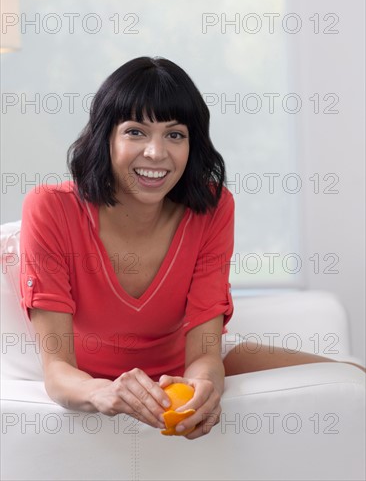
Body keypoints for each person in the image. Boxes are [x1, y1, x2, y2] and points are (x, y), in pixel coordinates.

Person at [19, 56, 365, 441]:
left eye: (175, 134)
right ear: (106, 136)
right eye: (135, 132)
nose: (156, 153)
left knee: (354, 379)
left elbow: (203, 353)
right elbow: (58, 372)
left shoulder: (213, 207)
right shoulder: (51, 208)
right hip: (93, 377)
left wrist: (204, 387)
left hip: (184, 364)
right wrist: (105, 391)